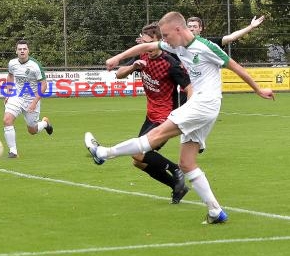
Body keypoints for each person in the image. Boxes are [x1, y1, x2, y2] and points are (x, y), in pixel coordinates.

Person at [84, 11, 274, 224]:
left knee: (154, 136)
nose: (164, 40)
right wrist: (119, 57)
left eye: (166, 35)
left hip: (205, 103)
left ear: (178, 29)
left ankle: (104, 153)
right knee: (186, 162)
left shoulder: (205, 47)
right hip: (202, 105)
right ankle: (215, 212)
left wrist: (258, 89)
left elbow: (236, 67)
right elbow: (146, 47)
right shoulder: (176, 46)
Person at [115, 22, 192, 204]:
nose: (146, 47)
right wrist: (134, 66)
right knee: (139, 161)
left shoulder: (170, 63)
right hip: (150, 116)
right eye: (144, 42)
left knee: (138, 153)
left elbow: (189, 88)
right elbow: (119, 74)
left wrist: (188, 111)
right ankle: (176, 186)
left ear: (158, 41)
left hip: (165, 117)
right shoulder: (142, 56)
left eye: (149, 42)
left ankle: (176, 169)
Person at [3, 39, 53, 158]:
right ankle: (13, 151)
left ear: (28, 51)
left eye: (24, 49)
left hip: (32, 99)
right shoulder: (12, 63)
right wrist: (9, 93)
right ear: (16, 51)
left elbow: (44, 85)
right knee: (7, 120)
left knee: (32, 130)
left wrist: (34, 102)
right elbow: (10, 76)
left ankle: (45, 123)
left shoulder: (35, 66)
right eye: (20, 49)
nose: (22, 51)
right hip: (17, 97)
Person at [186, 15, 265, 48]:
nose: (192, 29)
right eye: (189, 26)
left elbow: (231, 37)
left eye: (195, 26)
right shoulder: (179, 45)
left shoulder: (209, 43)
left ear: (200, 28)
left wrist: (250, 27)